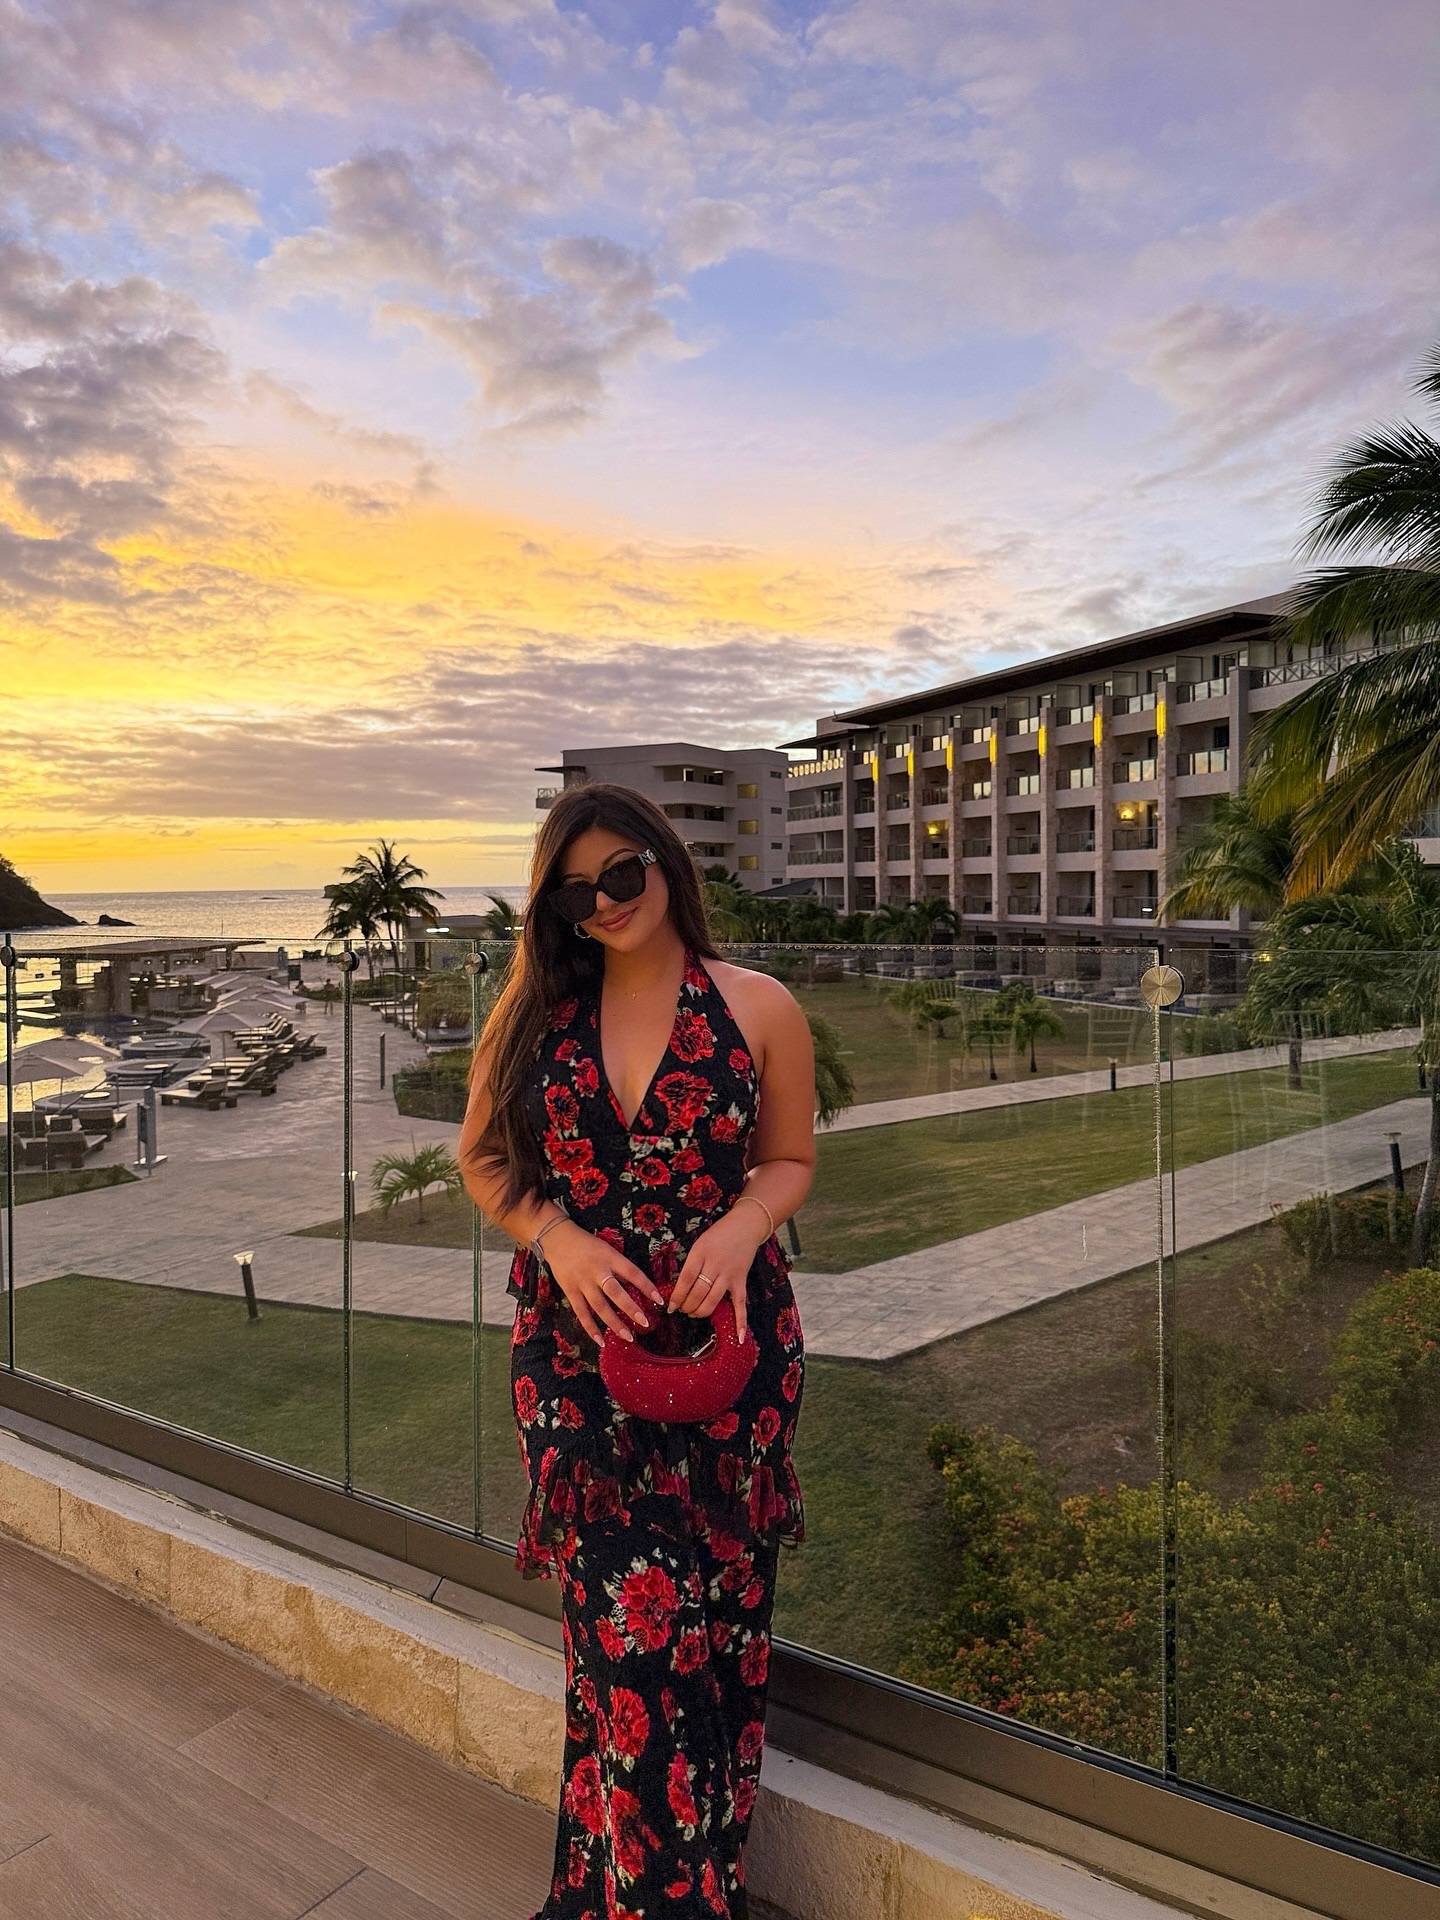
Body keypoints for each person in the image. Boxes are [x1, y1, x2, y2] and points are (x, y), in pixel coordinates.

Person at [460, 783, 815, 1920]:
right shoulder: (535, 1015)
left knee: (718, 1635)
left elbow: (790, 1160)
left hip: (727, 1351)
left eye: (622, 873)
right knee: (633, 1638)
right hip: (575, 1359)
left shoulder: (757, 1006)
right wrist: (557, 1237)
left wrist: (744, 1223)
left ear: (665, 862)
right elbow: (483, 1160)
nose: (606, 902)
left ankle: (623, 1893)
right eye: (577, 892)